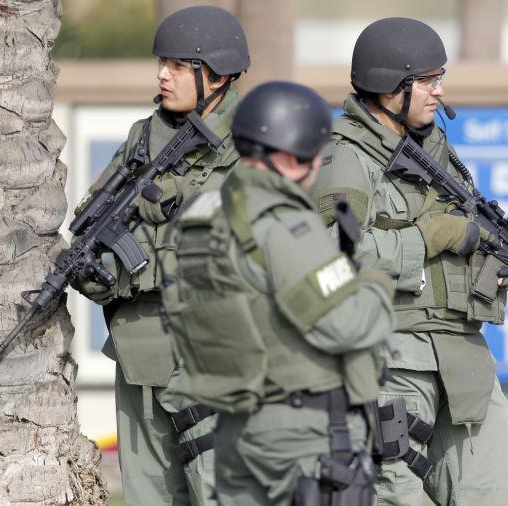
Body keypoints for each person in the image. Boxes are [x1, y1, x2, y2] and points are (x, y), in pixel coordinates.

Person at [309, 17, 508, 506]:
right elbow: (332, 258)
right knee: (393, 495)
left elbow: (461, 247)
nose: (438, 91)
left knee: (490, 492)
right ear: (390, 86)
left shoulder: (438, 156)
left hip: (463, 356)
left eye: (438, 78)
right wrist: (430, 236)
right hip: (390, 356)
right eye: (427, 80)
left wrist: (495, 264)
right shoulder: (345, 157)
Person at [159, 81, 396, 506]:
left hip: (236, 428)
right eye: (314, 154)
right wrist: (374, 288)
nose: (318, 164)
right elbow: (342, 324)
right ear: (290, 156)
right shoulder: (287, 226)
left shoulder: (202, 215)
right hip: (304, 434)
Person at [71, 6, 249, 505]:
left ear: (215, 73)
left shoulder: (253, 143)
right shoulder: (142, 140)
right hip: (139, 352)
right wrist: (94, 269)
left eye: (175, 65)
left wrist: (133, 266)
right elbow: (92, 228)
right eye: (161, 63)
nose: (161, 75)